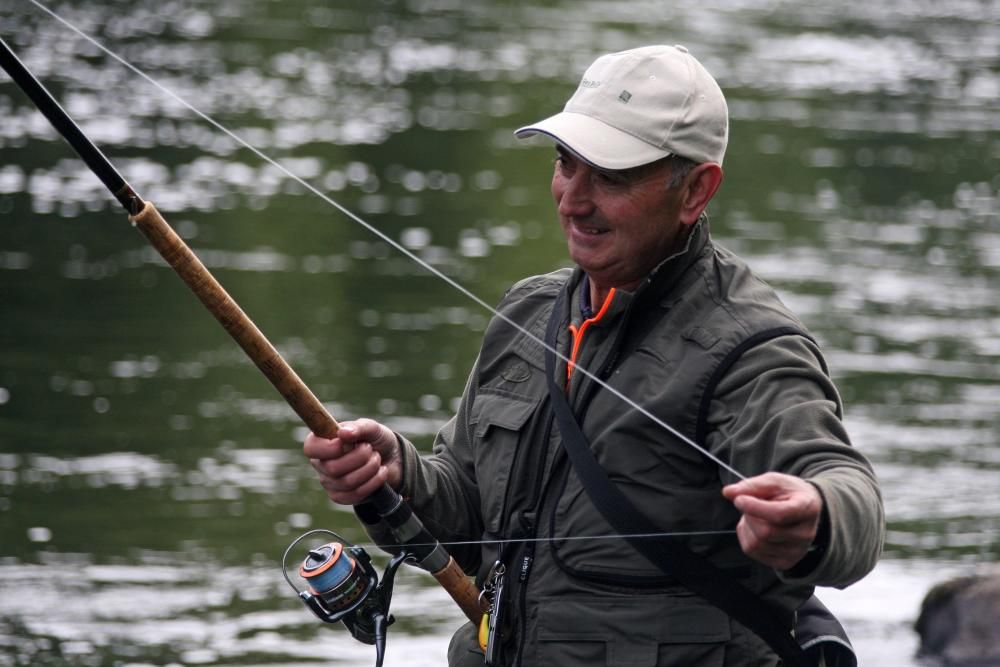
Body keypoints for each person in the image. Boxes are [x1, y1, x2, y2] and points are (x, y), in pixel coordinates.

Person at [304, 45, 884, 666]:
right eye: (565, 163)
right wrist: (395, 474)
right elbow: (469, 520)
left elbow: (854, 502)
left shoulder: (750, 347)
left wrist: (815, 517)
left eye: (610, 176)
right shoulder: (528, 312)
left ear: (694, 190)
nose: (573, 200)